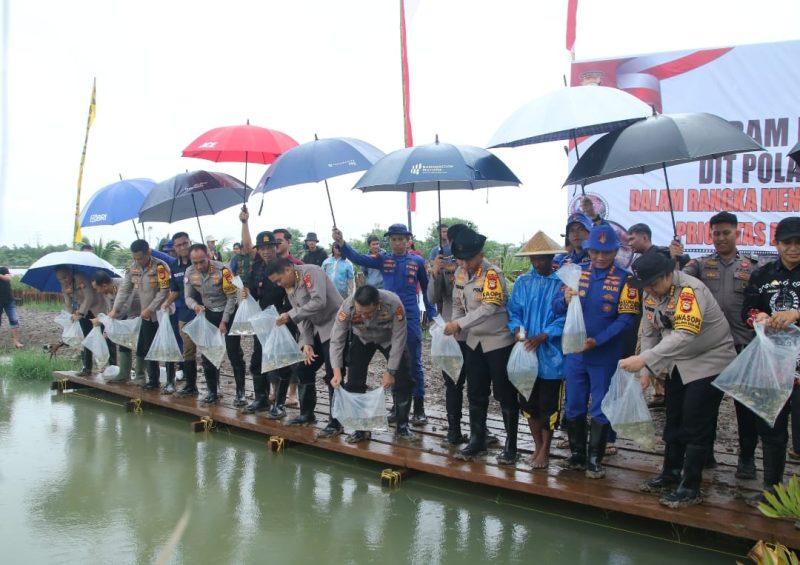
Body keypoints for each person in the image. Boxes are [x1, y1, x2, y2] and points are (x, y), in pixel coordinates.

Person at [620, 252, 735, 508]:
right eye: (645, 285)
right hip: (678, 362)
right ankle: (670, 473)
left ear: (667, 275)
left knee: (695, 420)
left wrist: (646, 359)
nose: (649, 290)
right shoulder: (651, 292)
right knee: (674, 419)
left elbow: (684, 335)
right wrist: (645, 372)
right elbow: (649, 332)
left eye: (652, 283)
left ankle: (691, 486)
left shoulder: (689, 291)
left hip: (709, 360)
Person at [553, 224, 639, 479]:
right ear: (589, 250)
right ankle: (577, 455)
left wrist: (598, 341)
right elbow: (556, 306)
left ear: (616, 251)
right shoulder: (574, 274)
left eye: (607, 252)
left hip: (604, 355)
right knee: (574, 404)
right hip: (574, 353)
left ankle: (595, 459)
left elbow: (626, 320)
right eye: (595, 252)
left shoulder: (627, 280)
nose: (600, 258)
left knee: (601, 407)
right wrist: (564, 299)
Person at [682, 211, 761, 480]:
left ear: (737, 233)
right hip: (711, 347)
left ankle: (747, 459)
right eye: (716, 233)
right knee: (706, 406)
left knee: (745, 408)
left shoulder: (753, 266)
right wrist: (675, 256)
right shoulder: (701, 265)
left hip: (744, 345)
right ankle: (705, 453)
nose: (720, 238)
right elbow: (678, 279)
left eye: (726, 232)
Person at [333, 224, 436, 425]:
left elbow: (426, 289)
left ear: (409, 240)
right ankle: (397, 409)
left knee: (413, 361)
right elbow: (358, 258)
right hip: (387, 316)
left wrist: (432, 313)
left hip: (411, 316)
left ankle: (419, 408)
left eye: (401, 239)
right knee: (395, 361)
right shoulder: (383, 258)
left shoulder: (418, 261)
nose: (397, 242)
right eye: (394, 239)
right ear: (389, 241)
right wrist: (342, 243)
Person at [444, 227, 519, 465]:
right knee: (475, 393)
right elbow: (458, 302)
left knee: (505, 395)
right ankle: (477, 440)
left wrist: (459, 323)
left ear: (480, 254)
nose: (464, 263)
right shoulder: (460, 274)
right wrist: (454, 325)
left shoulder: (492, 274)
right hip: (473, 342)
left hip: (498, 342)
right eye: (461, 259)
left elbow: (489, 308)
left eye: (469, 259)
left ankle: (511, 445)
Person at [741, 216, 800, 507]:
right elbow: (747, 310)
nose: (793, 248)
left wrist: (796, 313)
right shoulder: (762, 274)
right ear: (776, 244)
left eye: (798, 242)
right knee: (772, 430)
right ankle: (772, 490)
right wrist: (759, 318)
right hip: (774, 367)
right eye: (786, 242)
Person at [507, 231, 566, 469]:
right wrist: (517, 331)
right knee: (528, 402)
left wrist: (545, 334)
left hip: (551, 354)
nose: (538, 263)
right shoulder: (523, 282)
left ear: (552, 257)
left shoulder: (561, 283)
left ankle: (546, 449)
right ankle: (536, 445)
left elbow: (565, 317)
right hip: (527, 350)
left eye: (542, 258)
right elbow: (514, 312)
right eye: (534, 259)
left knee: (548, 406)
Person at [329, 285, 417, 442]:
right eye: (359, 312)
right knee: (354, 381)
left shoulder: (393, 304)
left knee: (404, 379)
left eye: (366, 312)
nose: (362, 316)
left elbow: (399, 337)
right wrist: (336, 371)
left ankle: (402, 426)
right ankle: (360, 428)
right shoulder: (348, 306)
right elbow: (337, 339)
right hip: (362, 338)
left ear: (377, 305)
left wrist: (390, 371)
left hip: (388, 339)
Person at [266, 258, 344, 436]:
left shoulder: (311, 272)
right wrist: (307, 342)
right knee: (303, 368)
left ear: (288, 270)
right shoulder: (289, 286)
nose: (279, 285)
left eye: (279, 280)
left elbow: (318, 301)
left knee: (334, 373)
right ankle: (307, 414)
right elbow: (303, 318)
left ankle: (336, 422)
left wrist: (290, 315)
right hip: (316, 329)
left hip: (335, 326)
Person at [183, 243, 244, 405]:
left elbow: (232, 297)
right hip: (208, 314)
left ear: (209, 256)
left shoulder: (223, 270)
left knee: (234, 354)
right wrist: (195, 306)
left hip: (228, 314)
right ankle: (213, 391)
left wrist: (224, 321)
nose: (198, 266)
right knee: (208, 354)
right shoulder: (190, 272)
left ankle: (240, 393)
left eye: (202, 261)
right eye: (194, 262)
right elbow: (187, 297)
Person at [108, 240, 171, 390]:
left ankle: (170, 381)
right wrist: (115, 310)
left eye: (140, 258)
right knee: (147, 346)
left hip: (163, 313)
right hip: (146, 315)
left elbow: (164, 290)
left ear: (148, 252)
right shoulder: (133, 269)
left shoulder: (160, 267)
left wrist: (151, 308)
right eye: (135, 258)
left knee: (167, 347)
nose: (138, 261)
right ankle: (153, 380)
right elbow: (124, 289)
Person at [428, 223, 469, 446]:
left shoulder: (474, 266)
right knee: (452, 384)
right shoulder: (441, 261)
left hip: (472, 333)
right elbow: (433, 298)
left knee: (478, 386)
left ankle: (479, 431)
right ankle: (454, 430)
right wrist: (435, 272)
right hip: (449, 334)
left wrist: (459, 270)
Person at [160, 232, 198, 396]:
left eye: (185, 243)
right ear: (174, 248)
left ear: (190, 242)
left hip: (204, 312)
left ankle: (214, 388)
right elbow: (175, 290)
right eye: (178, 245)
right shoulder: (174, 267)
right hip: (184, 313)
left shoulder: (200, 261)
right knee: (188, 350)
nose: (183, 247)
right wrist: (167, 302)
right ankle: (191, 386)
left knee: (209, 349)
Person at [56, 267, 106, 376]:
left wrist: (80, 313)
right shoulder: (63, 286)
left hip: (97, 308)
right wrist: (71, 315)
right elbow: (68, 302)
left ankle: (110, 367)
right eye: (60, 279)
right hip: (82, 311)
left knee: (104, 337)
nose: (63, 280)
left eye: (65, 277)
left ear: (70, 273)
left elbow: (89, 297)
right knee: (85, 338)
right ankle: (86, 368)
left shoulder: (80, 278)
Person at [0, 266, 23, 348]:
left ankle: (16, 342)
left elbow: (8, 278)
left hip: (9, 300)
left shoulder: (3, 269)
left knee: (14, 320)